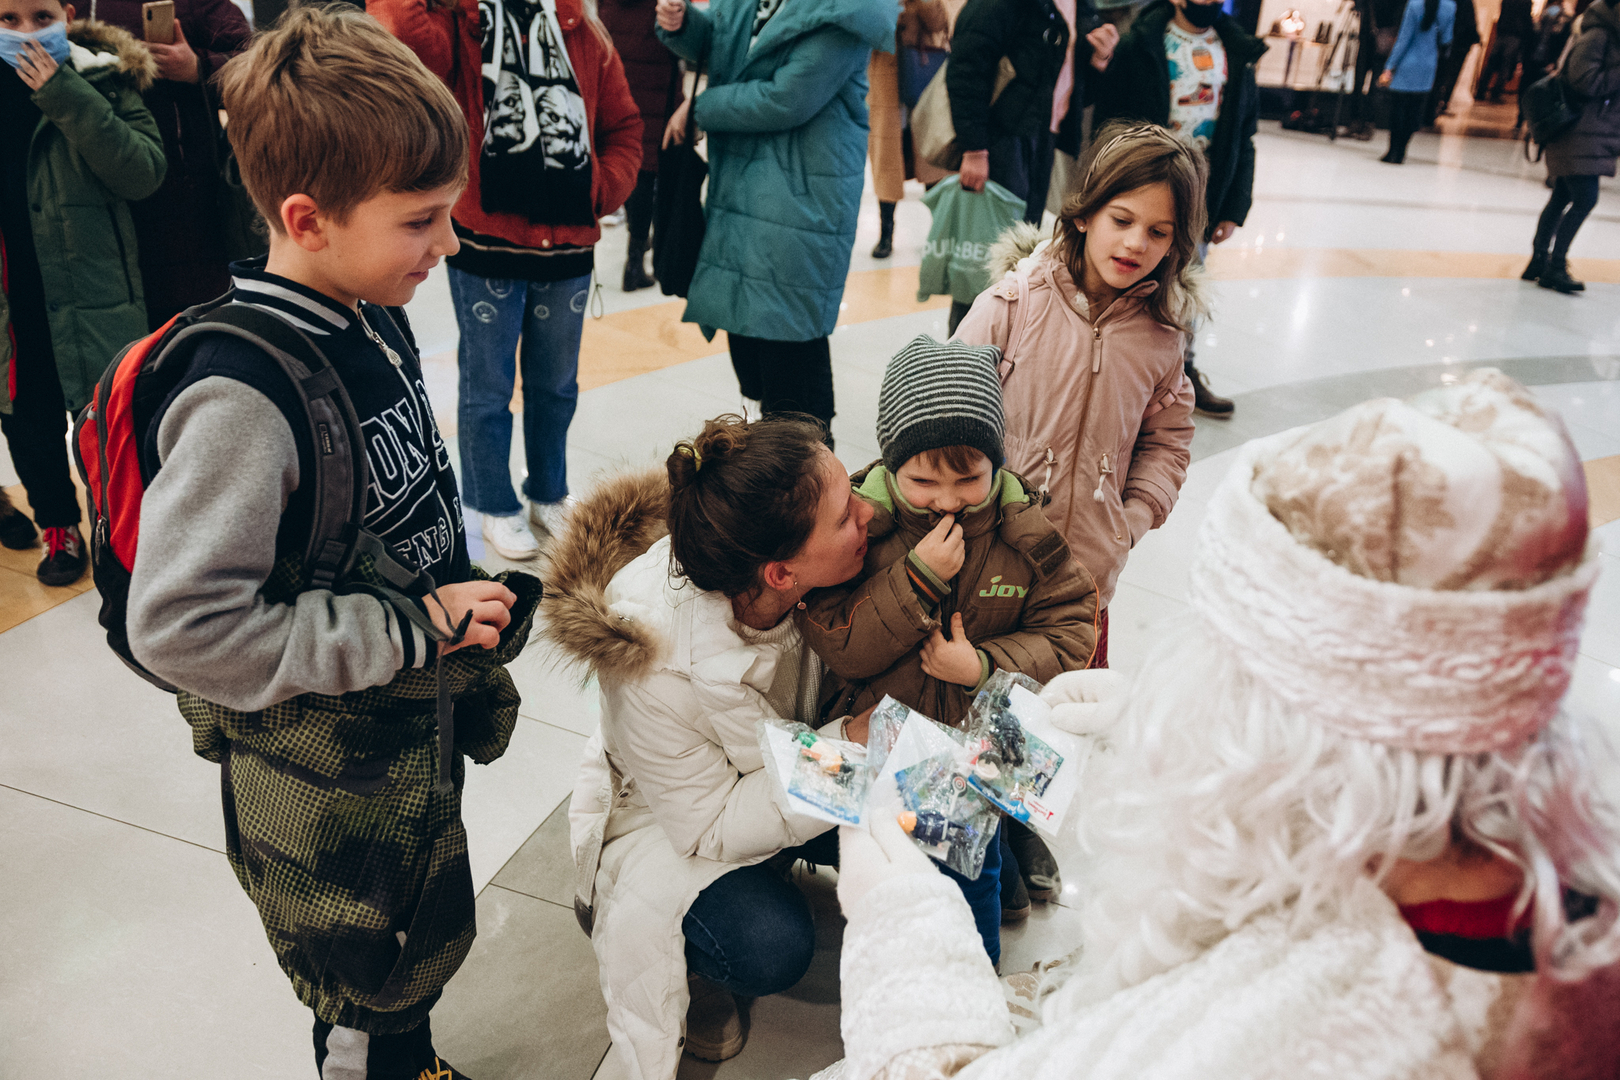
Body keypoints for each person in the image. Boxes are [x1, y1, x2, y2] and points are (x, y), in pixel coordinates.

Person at [830, 369, 1620, 1080]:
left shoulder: (1309, 1027)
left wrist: (900, 916)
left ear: (1282, 717)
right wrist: (1117, 729)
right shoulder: (1564, 907)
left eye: (1224, 661)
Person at [122, 10, 542, 1078]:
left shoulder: (362, 310)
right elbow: (180, 624)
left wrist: (448, 602)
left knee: (411, 935)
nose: (445, 246)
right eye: (420, 221)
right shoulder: (241, 399)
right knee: (361, 973)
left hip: (395, 725)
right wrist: (407, 626)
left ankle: (415, 1054)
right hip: (325, 773)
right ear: (308, 218)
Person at [544, 415, 876, 1078]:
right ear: (782, 574)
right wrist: (854, 749)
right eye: (846, 516)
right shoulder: (652, 659)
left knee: (943, 814)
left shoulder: (788, 543)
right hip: (670, 821)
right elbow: (711, 823)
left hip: (787, 758)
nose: (869, 512)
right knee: (772, 945)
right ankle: (705, 959)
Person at [800, 335, 1099, 940]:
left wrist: (985, 667)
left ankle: (977, 986)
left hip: (975, 755)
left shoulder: (1023, 532)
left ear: (997, 463)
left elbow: (1071, 627)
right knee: (881, 876)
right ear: (889, 465)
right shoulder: (863, 530)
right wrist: (915, 580)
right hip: (874, 743)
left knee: (973, 880)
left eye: (969, 479)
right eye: (922, 481)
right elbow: (836, 637)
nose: (946, 501)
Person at [375, 0, 643, 561]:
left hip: (567, 242)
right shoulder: (463, 20)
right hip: (486, 240)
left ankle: (549, 490)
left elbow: (623, 125)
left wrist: (599, 188)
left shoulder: (581, 27)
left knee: (556, 386)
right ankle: (493, 504)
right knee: (488, 388)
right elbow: (402, 35)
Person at [954, 124, 1200, 673]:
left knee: (1061, 736)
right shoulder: (1013, 306)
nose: (1137, 243)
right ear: (1084, 214)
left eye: (1159, 232)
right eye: (1122, 220)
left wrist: (1132, 518)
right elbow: (943, 412)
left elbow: (1169, 441)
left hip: (1083, 584)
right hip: (986, 574)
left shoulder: (1161, 339)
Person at [655, 0, 895, 431]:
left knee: (794, 374)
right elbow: (724, 40)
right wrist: (685, 24)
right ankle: (776, 482)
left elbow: (788, 97)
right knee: (757, 358)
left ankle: (813, 489)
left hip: (799, 204)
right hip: (744, 198)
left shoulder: (847, 10)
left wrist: (703, 108)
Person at [0, 0, 165, 585]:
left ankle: (120, 530)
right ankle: (58, 527)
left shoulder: (104, 76)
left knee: (106, 428)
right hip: (11, 304)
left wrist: (65, 95)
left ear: (68, 14)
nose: (25, 32)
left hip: (91, 294)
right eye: (7, 19)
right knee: (28, 424)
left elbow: (143, 172)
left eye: (40, 15)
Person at [1091, 0, 1264, 419]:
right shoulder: (1142, 42)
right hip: (1145, 187)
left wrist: (1234, 205)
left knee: (1186, 285)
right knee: (1129, 276)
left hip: (1204, 190)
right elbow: (1109, 117)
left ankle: (1180, 372)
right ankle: (1114, 371)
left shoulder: (1236, 51)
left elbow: (1245, 133)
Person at [92, 0, 254, 327]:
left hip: (188, 208)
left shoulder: (199, 5)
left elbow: (259, 68)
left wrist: (198, 68)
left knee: (193, 330)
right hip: (92, 205)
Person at [947, 0, 1119, 230]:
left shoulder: (1080, 6)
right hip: (1002, 135)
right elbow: (967, 74)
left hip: (1046, 132)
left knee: (1026, 230)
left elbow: (1079, 88)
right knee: (995, 234)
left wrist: (1100, 58)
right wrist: (974, 149)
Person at [1523, 0, 1620, 295]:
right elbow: (1583, 80)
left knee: (1562, 195)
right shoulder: (1598, 35)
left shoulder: (1608, 36)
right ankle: (1555, 265)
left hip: (1590, 130)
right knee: (1585, 199)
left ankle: (1539, 260)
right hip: (1579, 131)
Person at [600, 0, 680, 290]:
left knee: (631, 168)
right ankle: (641, 259)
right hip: (657, 89)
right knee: (649, 173)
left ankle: (635, 257)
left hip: (619, 84)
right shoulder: (659, 5)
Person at [868, 0, 950, 259]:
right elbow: (869, 27)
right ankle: (886, 234)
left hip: (922, 77)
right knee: (886, 162)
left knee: (931, 160)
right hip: (885, 85)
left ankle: (940, 234)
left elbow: (939, 23)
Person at [1376, 0, 1455, 164]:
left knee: (1398, 109)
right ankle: (1403, 150)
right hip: (1428, 65)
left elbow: (1404, 38)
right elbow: (1447, 39)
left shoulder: (1414, 5)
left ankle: (1393, 151)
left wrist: (1390, 65)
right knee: (1414, 111)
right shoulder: (1450, 7)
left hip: (1407, 63)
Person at [1344, 0, 1403, 139]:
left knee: (1375, 86)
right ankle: (1355, 121)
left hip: (1383, 36)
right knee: (1358, 81)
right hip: (1367, 35)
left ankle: (1368, 123)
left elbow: (1398, 9)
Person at [1423, 0, 1477, 124]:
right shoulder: (1456, 5)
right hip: (1455, 46)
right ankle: (1436, 108)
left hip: (1442, 46)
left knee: (1435, 79)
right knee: (1444, 78)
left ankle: (1429, 110)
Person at [1480, 0, 1533, 101]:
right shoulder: (1526, 2)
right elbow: (1526, 20)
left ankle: (1481, 90)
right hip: (1514, 35)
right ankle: (1496, 93)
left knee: (1492, 63)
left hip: (1501, 33)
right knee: (1506, 65)